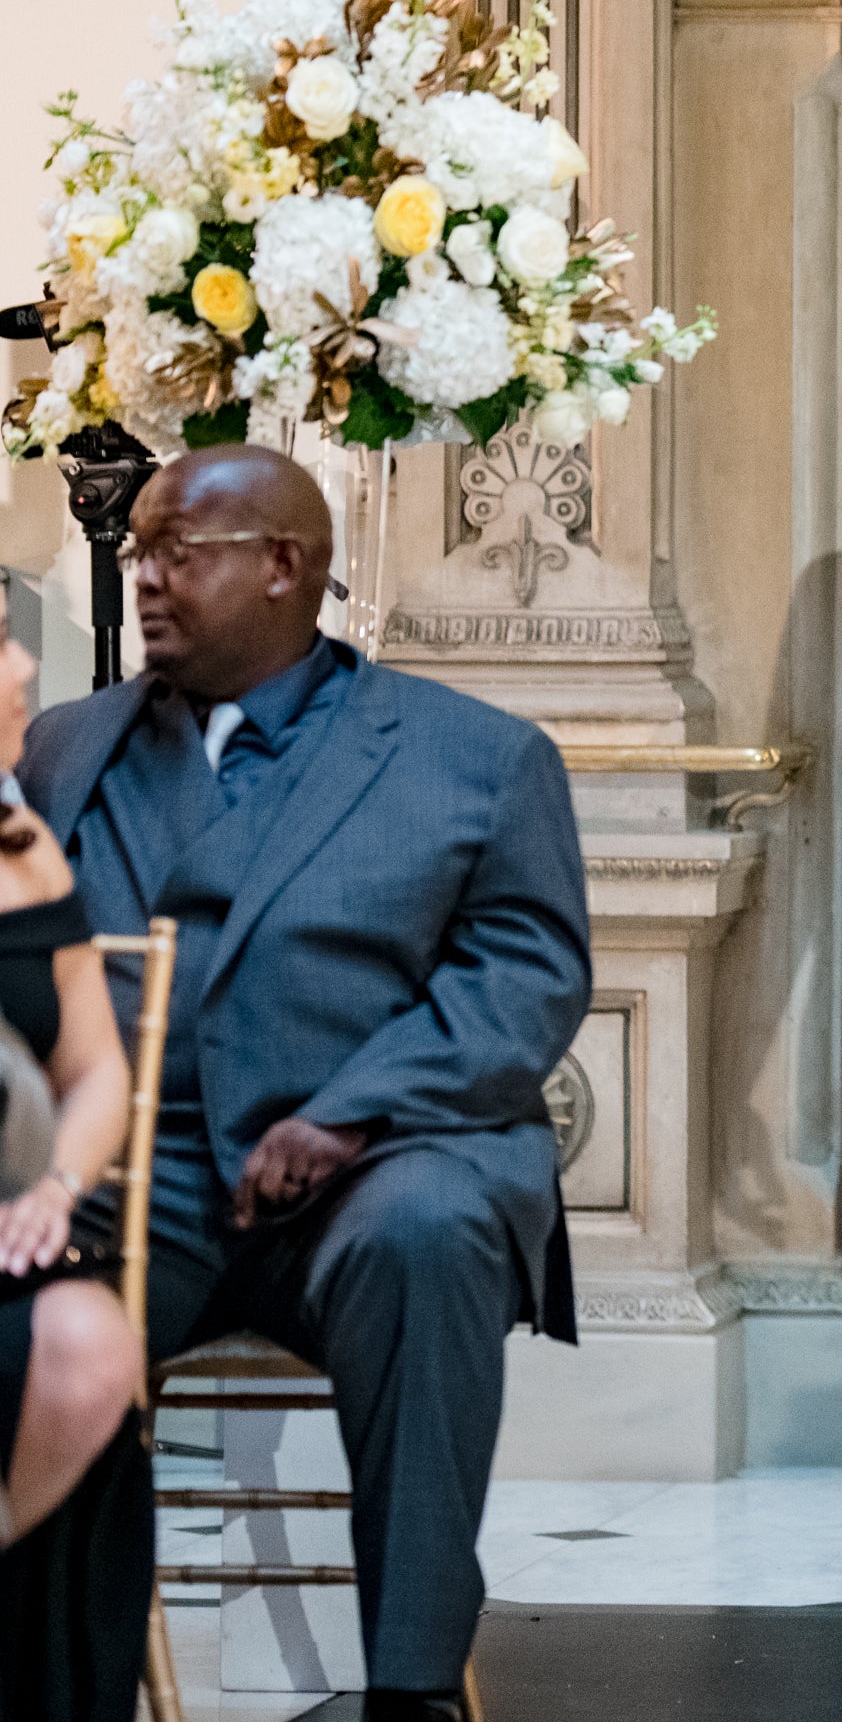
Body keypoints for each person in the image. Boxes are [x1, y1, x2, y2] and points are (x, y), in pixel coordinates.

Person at [20, 445, 593, 1722]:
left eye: (177, 552)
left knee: (427, 1230)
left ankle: (410, 1684)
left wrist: (351, 1111)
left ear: (285, 564)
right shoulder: (69, 746)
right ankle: (56, 1679)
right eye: (139, 553)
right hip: (141, 1173)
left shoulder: (475, 757)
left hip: (376, 1162)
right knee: (26, 1276)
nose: (144, 577)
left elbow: (524, 983)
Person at [0, 585, 147, 1722]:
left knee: (91, 1344)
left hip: (11, 1224)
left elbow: (97, 1070)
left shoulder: (26, 852)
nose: (20, 670)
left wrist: (58, 1185)